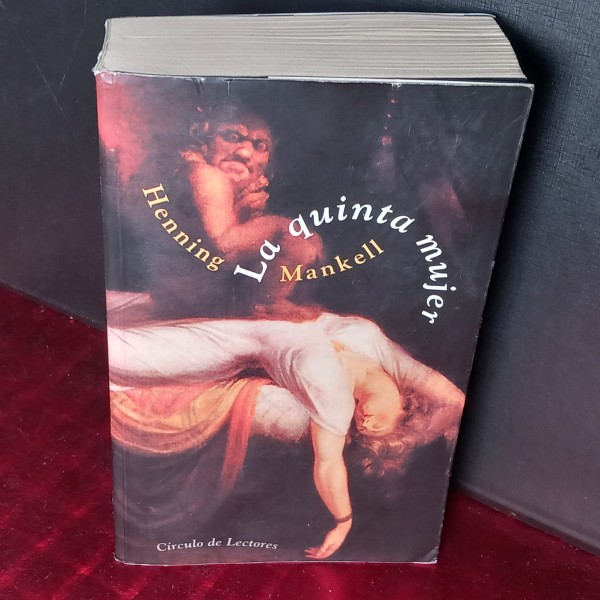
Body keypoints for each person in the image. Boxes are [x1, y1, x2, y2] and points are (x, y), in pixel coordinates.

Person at [108, 312, 465, 559]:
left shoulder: (336, 398)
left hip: (226, 348)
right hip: (240, 322)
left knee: (120, 356)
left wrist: (343, 521)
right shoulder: (383, 353)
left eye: (366, 432)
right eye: (382, 428)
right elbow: (456, 401)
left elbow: (328, 463)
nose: (366, 424)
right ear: (407, 410)